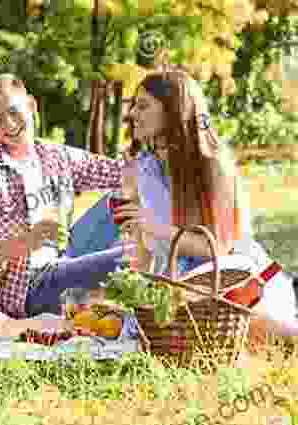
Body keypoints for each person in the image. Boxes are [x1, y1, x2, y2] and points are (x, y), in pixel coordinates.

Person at [116, 69, 298, 343]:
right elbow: (144, 256)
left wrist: (155, 227)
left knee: (246, 330)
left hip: (237, 283)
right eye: (133, 106)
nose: (133, 115)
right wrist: (135, 294)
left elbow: (218, 248)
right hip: (178, 287)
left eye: (143, 106)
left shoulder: (211, 163)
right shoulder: (145, 168)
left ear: (174, 110)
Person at [0, 74, 132, 319]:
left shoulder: (53, 154)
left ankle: (167, 256)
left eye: (14, 111)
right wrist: (25, 242)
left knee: (125, 194)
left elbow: (113, 171)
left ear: (31, 105)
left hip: (64, 255)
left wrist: (162, 157)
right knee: (131, 257)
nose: (8, 124)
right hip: (29, 288)